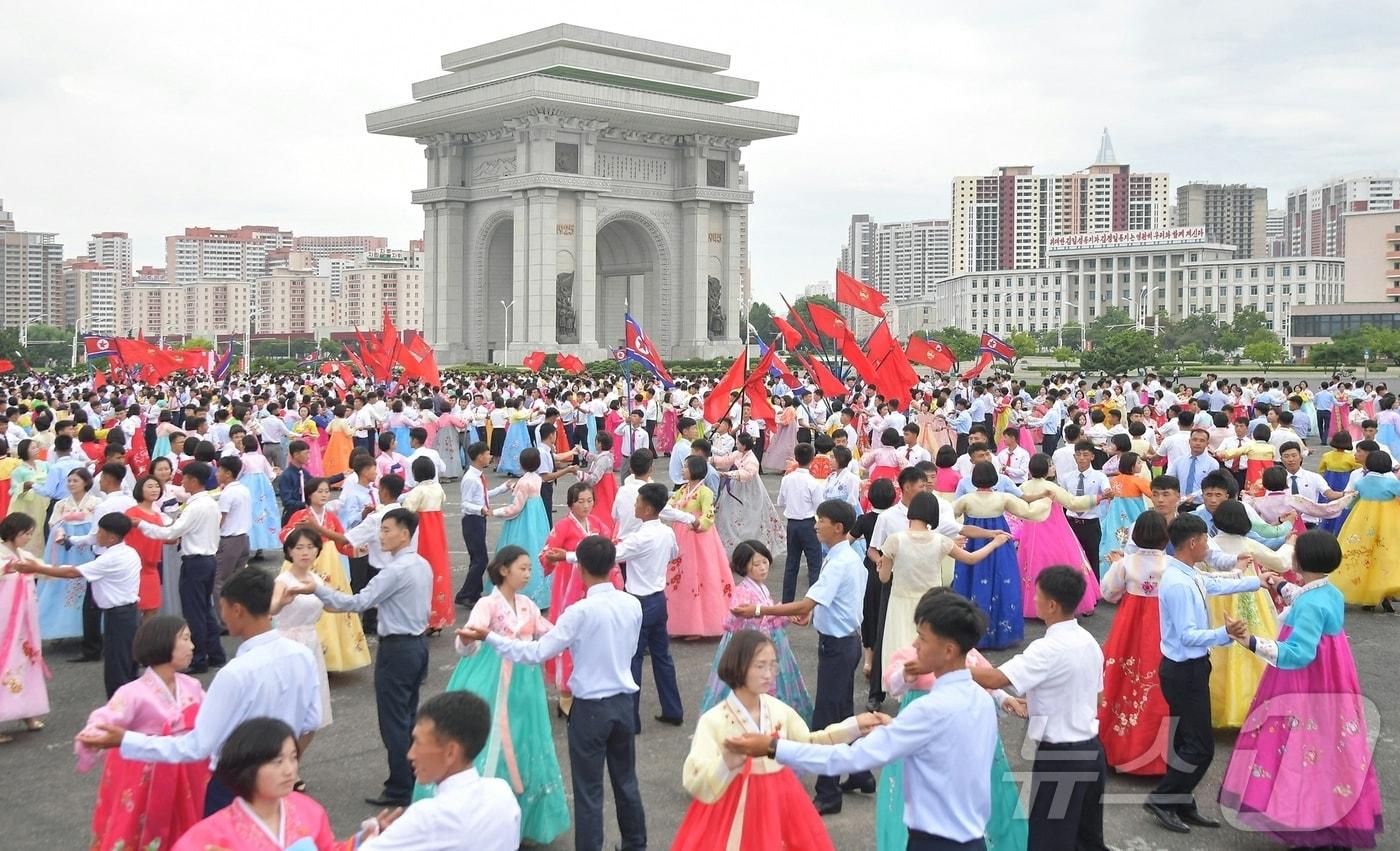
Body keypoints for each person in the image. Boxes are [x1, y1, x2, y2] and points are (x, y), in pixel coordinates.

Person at [727, 590, 998, 849]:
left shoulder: (929, 711)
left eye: (922, 638)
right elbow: (949, 748)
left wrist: (772, 747)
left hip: (935, 842)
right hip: (973, 839)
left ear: (949, 650)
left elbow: (850, 759)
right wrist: (898, 728)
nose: (915, 645)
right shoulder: (981, 700)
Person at [76, 567, 321, 817]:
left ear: (237, 610)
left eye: (222, 607)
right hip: (278, 780)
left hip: (234, 784)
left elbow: (197, 746)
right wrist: (286, 762)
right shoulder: (301, 655)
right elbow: (312, 721)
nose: (221, 614)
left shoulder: (236, 673)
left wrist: (125, 740)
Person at [459, 534, 647, 851]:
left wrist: (490, 638)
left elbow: (536, 653)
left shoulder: (580, 611)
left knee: (589, 790)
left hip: (590, 709)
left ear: (582, 569)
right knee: (626, 781)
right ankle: (635, 844)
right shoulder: (632, 604)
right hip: (624, 703)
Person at [1218, 531, 1383, 849]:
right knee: (1331, 749)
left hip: (1306, 685)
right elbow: (1304, 596)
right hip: (1331, 681)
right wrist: (1278, 584)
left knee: (1303, 750)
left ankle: (1311, 821)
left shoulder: (1310, 605)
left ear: (1298, 561)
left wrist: (1250, 641)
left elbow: (1298, 654)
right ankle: (1333, 813)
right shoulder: (1330, 593)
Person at [676, 630, 883, 850]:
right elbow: (694, 776)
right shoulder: (714, 720)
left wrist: (853, 727)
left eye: (773, 665)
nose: (768, 674)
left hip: (780, 802)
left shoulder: (777, 709)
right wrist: (725, 762)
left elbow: (807, 743)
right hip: (733, 805)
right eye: (760, 666)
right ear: (738, 665)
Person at [730, 499, 873, 815]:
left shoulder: (839, 561)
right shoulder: (842, 555)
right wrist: (813, 611)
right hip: (844, 641)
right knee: (844, 711)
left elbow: (806, 604)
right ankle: (861, 773)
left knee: (826, 718)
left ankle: (828, 793)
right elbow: (823, 602)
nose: (815, 525)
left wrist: (758, 609)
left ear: (837, 527)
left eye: (820, 520)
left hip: (838, 646)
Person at [286, 507, 431, 808]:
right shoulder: (421, 565)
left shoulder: (395, 571)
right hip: (417, 647)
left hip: (398, 649)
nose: (382, 536)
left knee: (393, 721)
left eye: (387, 530)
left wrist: (319, 590)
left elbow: (358, 601)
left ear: (405, 534)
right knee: (407, 716)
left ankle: (401, 787)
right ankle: (409, 777)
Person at [433, 546, 570, 844]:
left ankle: (519, 819)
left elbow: (548, 631)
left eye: (529, 569)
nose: (527, 574)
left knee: (524, 737)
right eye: (522, 568)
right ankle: (479, 824)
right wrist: (467, 640)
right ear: (504, 570)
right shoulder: (487, 604)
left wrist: (571, 633)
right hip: (491, 677)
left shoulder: (527, 604)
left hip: (524, 682)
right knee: (489, 738)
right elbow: (467, 644)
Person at [970, 567, 1109, 851]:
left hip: (1062, 756)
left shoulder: (1047, 648)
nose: (1033, 599)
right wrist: (1040, 705)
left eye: (1037, 594)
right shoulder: (1089, 642)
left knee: (1050, 838)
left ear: (1052, 605)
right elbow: (1096, 697)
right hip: (1092, 750)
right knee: (1087, 837)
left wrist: (951, 663)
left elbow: (996, 678)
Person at [1142, 514, 1262, 835]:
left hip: (1192, 668)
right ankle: (1163, 799)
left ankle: (1181, 801)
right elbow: (1188, 636)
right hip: (1184, 670)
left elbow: (1214, 583)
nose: (1208, 546)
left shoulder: (1188, 572)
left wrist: (1257, 581)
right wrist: (1226, 633)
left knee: (1185, 741)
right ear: (1193, 542)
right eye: (1205, 540)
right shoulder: (1178, 583)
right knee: (1200, 747)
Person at [876, 604, 1028, 851]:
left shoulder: (967, 656)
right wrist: (906, 675)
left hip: (963, 733)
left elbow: (986, 679)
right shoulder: (911, 654)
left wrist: (1004, 698)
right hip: (921, 733)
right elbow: (893, 685)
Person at [75, 615, 209, 851]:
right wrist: (94, 735)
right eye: (186, 639)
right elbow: (105, 718)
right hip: (147, 778)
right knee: (138, 830)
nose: (192, 646)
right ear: (164, 643)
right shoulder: (132, 693)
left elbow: (212, 721)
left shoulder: (192, 686)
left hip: (186, 772)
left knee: (187, 828)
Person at [360, 691, 522, 850]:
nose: (410, 754)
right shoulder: (502, 792)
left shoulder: (428, 817)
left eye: (417, 742)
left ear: (451, 752)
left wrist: (368, 839)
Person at [168, 717, 350, 851]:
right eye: (277, 762)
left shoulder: (308, 809)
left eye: (293, 758)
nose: (289, 770)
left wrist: (366, 838)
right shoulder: (208, 837)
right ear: (248, 768)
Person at [12, 512, 142, 697]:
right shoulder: (129, 552)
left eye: (100, 532)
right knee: (128, 663)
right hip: (128, 614)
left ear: (112, 537)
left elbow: (72, 573)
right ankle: (132, 706)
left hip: (119, 616)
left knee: (117, 667)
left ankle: (120, 710)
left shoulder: (111, 558)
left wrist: (37, 568)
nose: (97, 536)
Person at [878, 491, 1009, 666]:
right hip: (932, 604)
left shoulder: (894, 540)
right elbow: (971, 558)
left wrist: (882, 567)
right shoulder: (940, 541)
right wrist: (994, 542)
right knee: (931, 651)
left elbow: (884, 578)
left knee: (901, 655)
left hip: (900, 603)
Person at [701, 540, 813, 722]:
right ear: (743, 567)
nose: (762, 568)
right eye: (756, 564)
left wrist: (785, 616)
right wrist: (780, 615)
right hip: (752, 648)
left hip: (768, 642)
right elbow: (743, 622)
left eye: (765, 562)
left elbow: (766, 614)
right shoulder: (743, 592)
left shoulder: (761, 587)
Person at [1097, 512, 1172, 776]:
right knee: (1159, 683)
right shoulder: (1172, 565)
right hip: (1163, 627)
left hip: (1129, 627)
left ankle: (1117, 746)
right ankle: (1157, 754)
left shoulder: (1127, 563)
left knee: (1121, 678)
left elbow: (1107, 592)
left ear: (1136, 534)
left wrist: (1116, 565)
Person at [540, 482, 623, 715]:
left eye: (589, 500)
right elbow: (546, 553)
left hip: (594, 586)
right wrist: (554, 557)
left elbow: (611, 548)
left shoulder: (598, 524)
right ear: (570, 504)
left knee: (592, 636)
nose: (586, 505)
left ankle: (589, 685)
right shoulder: (563, 526)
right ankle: (565, 692)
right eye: (580, 501)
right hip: (569, 588)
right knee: (569, 633)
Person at [135, 461, 227, 673]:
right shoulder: (210, 503)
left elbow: (171, 533)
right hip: (208, 559)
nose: (181, 480)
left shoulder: (195, 506)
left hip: (195, 562)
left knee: (194, 612)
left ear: (194, 480)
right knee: (205, 609)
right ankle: (215, 654)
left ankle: (198, 658)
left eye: (184, 477)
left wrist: (141, 524)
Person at [952, 461, 1050, 649]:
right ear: (994, 478)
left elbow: (947, 516)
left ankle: (969, 633)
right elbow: (1028, 512)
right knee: (1003, 582)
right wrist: (1046, 501)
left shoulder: (966, 500)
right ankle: (1000, 632)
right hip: (999, 542)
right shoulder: (1003, 498)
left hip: (972, 543)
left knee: (970, 582)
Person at [278, 477, 370, 672]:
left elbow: (341, 543)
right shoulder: (301, 515)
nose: (324, 495)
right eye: (320, 491)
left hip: (330, 565)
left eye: (327, 491)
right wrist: (297, 532)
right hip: (307, 563)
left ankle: (331, 660)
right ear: (310, 494)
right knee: (305, 606)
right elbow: (284, 536)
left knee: (330, 607)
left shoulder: (331, 518)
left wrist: (358, 550)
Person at [1016, 454, 1106, 617]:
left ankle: (1032, 602)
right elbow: (1073, 503)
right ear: (1046, 468)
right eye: (1051, 465)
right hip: (1054, 530)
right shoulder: (1052, 488)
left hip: (1031, 530)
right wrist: (1098, 498)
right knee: (1061, 562)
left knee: (1032, 561)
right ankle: (1062, 601)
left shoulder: (1023, 487)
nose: (1053, 467)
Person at [269, 528, 333, 729]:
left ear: (317, 551)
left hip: (310, 640)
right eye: (299, 548)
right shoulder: (283, 580)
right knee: (289, 700)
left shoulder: (317, 580)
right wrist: (282, 602)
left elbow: (331, 605)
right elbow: (270, 609)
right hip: (287, 641)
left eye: (310, 547)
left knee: (311, 701)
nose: (305, 552)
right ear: (289, 552)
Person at [666, 455, 733, 637]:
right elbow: (670, 505)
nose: (682, 470)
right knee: (682, 575)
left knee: (700, 575)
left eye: (686, 467)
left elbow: (708, 515)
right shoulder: (682, 490)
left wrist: (697, 524)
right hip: (681, 534)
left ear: (694, 469)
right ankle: (683, 622)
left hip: (699, 537)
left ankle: (699, 624)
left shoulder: (705, 492)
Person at [0, 513, 49, 742]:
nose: (29, 537)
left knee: (28, 660)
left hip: (25, 623)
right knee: (5, 663)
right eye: (25, 533)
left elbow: (44, 568)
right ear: (13, 532)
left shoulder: (25, 555)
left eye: (30, 533)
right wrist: (9, 567)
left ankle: (28, 711)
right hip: (4, 622)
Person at [37, 466, 100, 640]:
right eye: (69, 480)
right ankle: (57, 628)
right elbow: (53, 524)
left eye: (75, 480)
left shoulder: (96, 502)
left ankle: (92, 630)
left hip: (87, 549)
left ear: (86, 482)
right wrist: (61, 531)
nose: (71, 484)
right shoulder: (61, 504)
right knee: (61, 586)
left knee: (89, 586)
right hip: (66, 550)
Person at [1334, 449, 1400, 606]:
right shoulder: (1392, 483)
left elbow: (1351, 503)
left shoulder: (1361, 482)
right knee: (1386, 551)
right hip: (1388, 519)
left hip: (1362, 520)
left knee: (1363, 553)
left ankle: (1365, 594)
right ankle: (1385, 592)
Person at [490, 447, 553, 610]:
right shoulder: (537, 478)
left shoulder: (524, 482)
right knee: (538, 547)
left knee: (520, 549)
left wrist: (495, 512)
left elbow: (515, 508)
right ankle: (542, 593)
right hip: (537, 518)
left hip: (523, 521)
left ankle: (518, 593)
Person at [402, 456, 455, 630]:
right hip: (437, 530)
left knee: (421, 570)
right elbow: (443, 501)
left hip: (423, 531)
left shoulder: (417, 491)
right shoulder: (438, 488)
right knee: (438, 567)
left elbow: (407, 510)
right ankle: (438, 615)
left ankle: (423, 619)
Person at [712, 431, 785, 554]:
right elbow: (726, 460)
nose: (737, 445)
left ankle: (749, 546)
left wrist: (728, 474)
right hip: (735, 487)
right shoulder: (737, 454)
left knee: (750, 517)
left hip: (749, 490)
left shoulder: (752, 459)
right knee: (728, 514)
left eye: (738, 443)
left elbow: (748, 474)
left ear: (744, 446)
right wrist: (712, 460)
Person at [458, 441, 509, 609]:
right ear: (480, 457)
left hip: (478, 520)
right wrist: (481, 509)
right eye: (488, 454)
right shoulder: (470, 479)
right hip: (472, 521)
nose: (490, 457)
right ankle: (466, 594)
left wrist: (503, 488)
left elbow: (484, 495)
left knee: (477, 558)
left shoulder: (478, 475)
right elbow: (465, 504)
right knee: (480, 559)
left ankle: (472, 592)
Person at [777, 442, 825, 603]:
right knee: (814, 563)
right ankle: (813, 603)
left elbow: (781, 501)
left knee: (791, 563)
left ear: (796, 458)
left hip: (792, 523)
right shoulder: (812, 482)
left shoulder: (787, 479)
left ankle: (787, 602)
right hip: (808, 523)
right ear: (812, 459)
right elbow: (819, 506)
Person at [212, 455, 252, 627]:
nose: (216, 473)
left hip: (229, 540)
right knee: (237, 580)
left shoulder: (227, 494)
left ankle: (224, 620)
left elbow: (221, 519)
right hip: (244, 538)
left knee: (219, 581)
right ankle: (240, 615)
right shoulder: (243, 489)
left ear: (228, 473)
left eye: (219, 470)